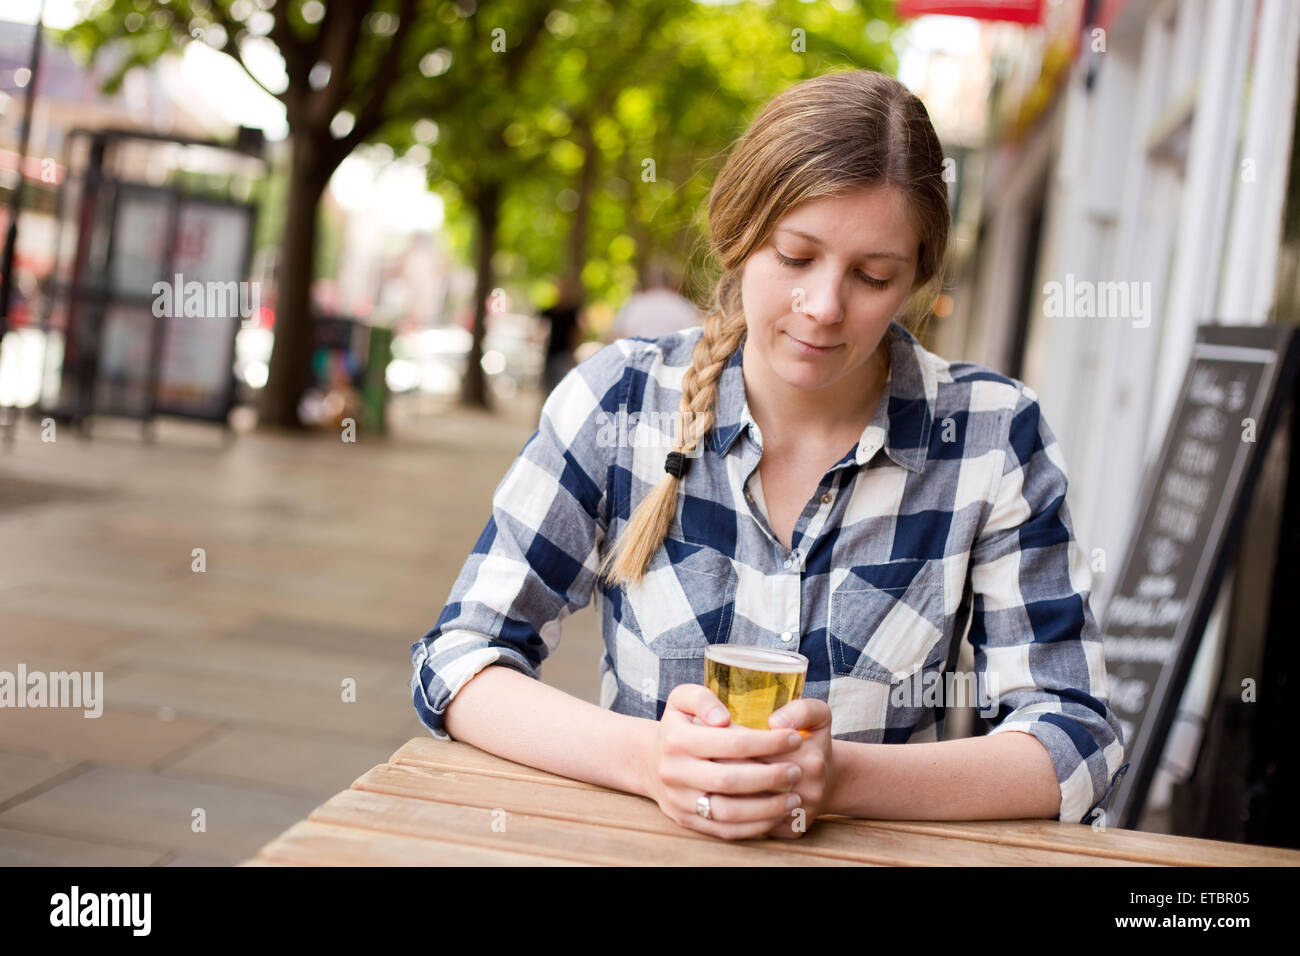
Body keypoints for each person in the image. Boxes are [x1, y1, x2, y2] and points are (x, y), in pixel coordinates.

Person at [411, 69, 1127, 842]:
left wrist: (840, 777)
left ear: (916, 278)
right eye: (795, 257)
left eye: (873, 275)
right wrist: (650, 759)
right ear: (736, 234)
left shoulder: (991, 435)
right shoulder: (619, 400)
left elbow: (1075, 738)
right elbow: (459, 662)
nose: (823, 307)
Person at [604, 263, 701, 343]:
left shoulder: (634, 304)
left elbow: (617, 336)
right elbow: (696, 336)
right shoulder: (681, 304)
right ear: (671, 282)